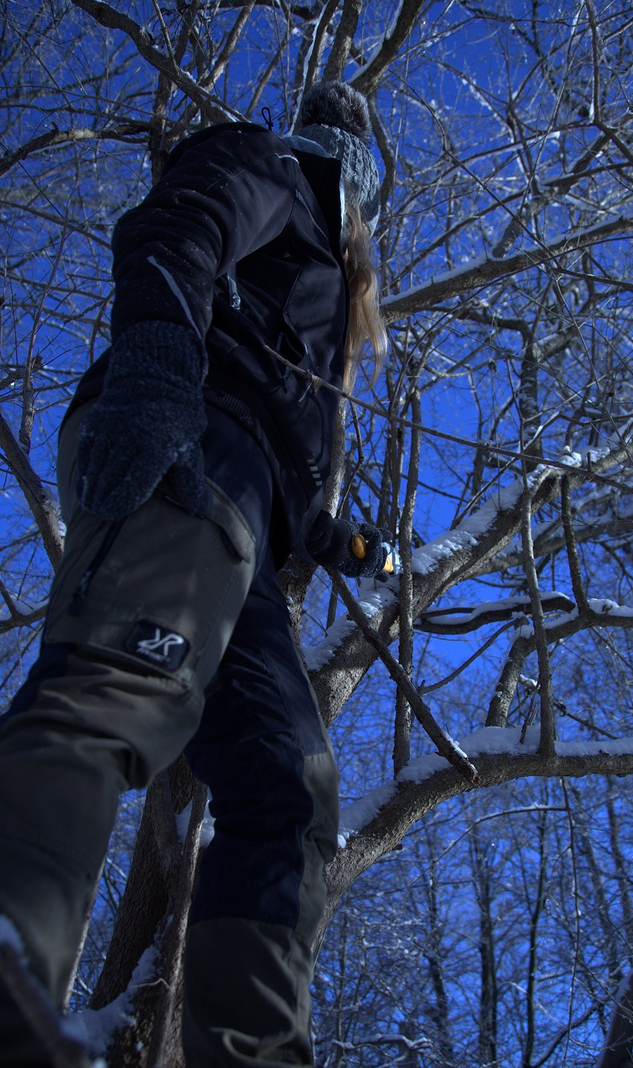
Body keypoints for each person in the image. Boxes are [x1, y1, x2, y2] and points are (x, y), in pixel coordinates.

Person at [0, 80, 389, 1067]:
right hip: (181, 436)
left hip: (249, 512)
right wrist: (158, 369)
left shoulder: (318, 304)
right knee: (123, 683)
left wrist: (345, 545)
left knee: (288, 791)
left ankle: (249, 1051)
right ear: (348, 158)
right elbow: (178, 222)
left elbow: (295, 481)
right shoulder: (279, 167)